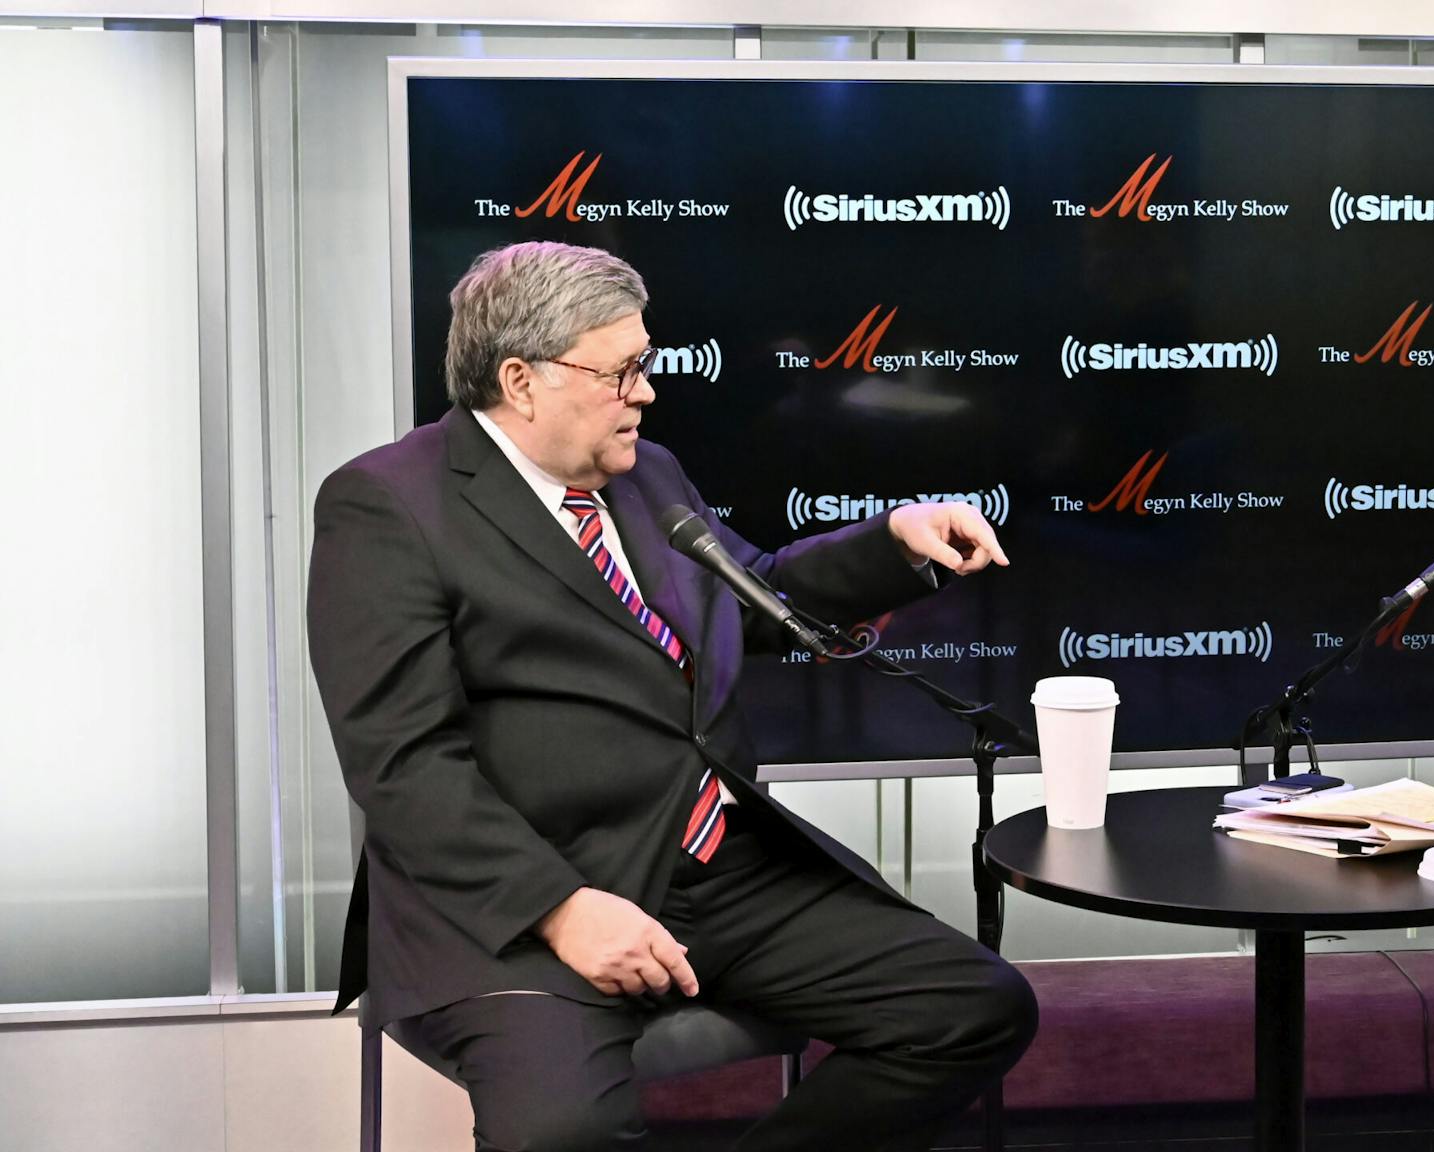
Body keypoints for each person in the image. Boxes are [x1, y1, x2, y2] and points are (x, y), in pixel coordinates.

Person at [308, 241, 1036, 1151]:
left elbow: (751, 595)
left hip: (713, 867)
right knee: (561, 1133)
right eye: (620, 372)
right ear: (522, 381)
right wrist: (563, 908)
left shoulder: (645, 471)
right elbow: (404, 763)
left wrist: (892, 541)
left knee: (972, 1010)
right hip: (526, 897)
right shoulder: (387, 505)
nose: (646, 392)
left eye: (643, 365)